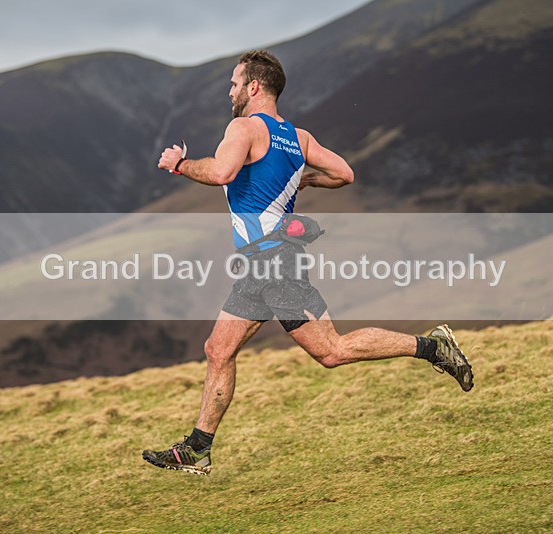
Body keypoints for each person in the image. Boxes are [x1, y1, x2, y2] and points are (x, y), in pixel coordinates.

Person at [144, 50, 473, 475]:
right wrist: (302, 177)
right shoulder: (298, 138)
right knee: (217, 350)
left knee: (332, 351)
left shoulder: (242, 127)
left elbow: (223, 173)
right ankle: (197, 449)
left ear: (254, 87)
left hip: (276, 264)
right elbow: (344, 174)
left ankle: (434, 347)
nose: (230, 90)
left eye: (234, 82)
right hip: (258, 267)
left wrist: (181, 165)